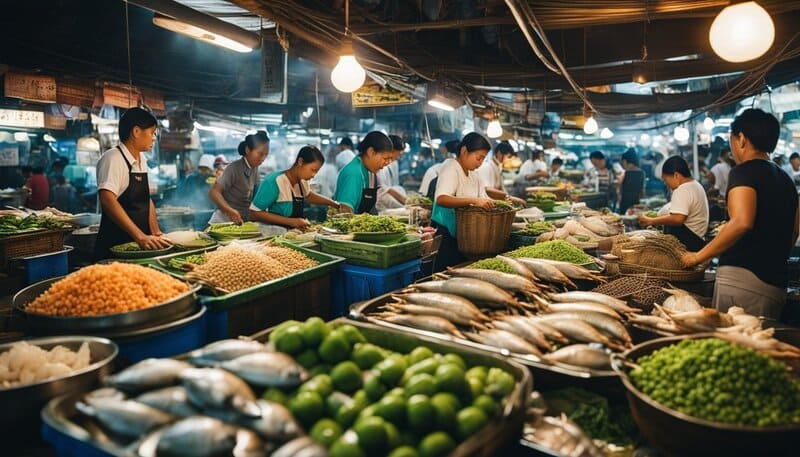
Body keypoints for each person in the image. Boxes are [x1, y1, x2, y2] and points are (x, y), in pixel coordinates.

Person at [682, 109, 799, 319]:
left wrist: (698, 256)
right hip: (775, 283)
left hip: (742, 281)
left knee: (732, 345)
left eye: (732, 140)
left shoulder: (743, 171)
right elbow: (794, 230)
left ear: (742, 139)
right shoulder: (786, 180)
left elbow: (741, 222)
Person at [94, 107, 170, 259]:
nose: (154, 137)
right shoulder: (113, 158)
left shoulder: (142, 161)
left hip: (139, 248)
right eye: (151, 132)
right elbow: (107, 200)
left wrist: (156, 233)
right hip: (115, 249)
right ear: (136, 132)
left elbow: (145, 200)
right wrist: (140, 236)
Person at [431, 133, 496, 271]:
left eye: (483, 159)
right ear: (464, 151)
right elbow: (441, 198)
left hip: (465, 237)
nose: (480, 163)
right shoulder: (451, 168)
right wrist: (474, 201)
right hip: (445, 236)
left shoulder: (474, 175)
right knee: (444, 275)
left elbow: (483, 198)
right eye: (478, 158)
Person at [250, 146, 341, 229]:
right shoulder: (274, 181)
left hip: (293, 235)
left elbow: (309, 196)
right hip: (275, 235)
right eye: (312, 170)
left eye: (316, 172)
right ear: (300, 162)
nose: (313, 175)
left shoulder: (302, 181)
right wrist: (292, 222)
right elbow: (254, 213)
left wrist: (333, 204)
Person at [639, 156, 709, 252]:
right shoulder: (695, 185)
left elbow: (678, 219)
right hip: (698, 240)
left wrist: (651, 221)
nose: (666, 184)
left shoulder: (682, 190)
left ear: (676, 175)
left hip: (689, 242)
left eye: (665, 179)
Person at [208, 131, 269, 224]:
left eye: (266, 154)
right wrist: (229, 210)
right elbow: (214, 192)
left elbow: (256, 195)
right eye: (260, 154)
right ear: (248, 150)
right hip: (223, 221)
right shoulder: (233, 168)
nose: (263, 158)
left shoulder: (255, 168)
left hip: (241, 221)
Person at [334, 131, 394, 214]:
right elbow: (345, 212)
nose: (387, 163)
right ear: (371, 152)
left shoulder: (370, 171)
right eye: (385, 158)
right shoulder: (354, 173)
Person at [376, 134, 407, 210]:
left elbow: (394, 186)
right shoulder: (380, 164)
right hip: (381, 204)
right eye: (398, 154)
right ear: (391, 150)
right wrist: (406, 201)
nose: (399, 157)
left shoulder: (394, 163)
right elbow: (385, 189)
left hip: (390, 203)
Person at [617, 149, 645, 214]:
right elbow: (642, 192)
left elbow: (619, 188)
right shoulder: (642, 172)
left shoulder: (624, 173)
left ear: (625, 161)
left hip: (625, 203)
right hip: (636, 202)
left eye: (622, 161)